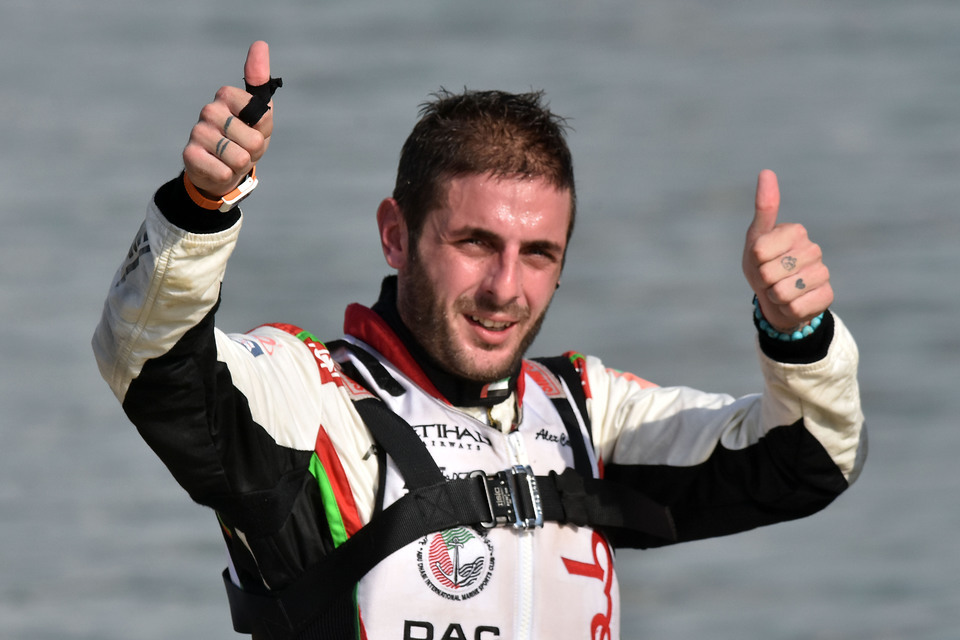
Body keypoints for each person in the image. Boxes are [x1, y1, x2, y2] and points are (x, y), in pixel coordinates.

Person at [93, 41, 866, 640]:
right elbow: (150, 362)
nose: (506, 288)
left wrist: (796, 336)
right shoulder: (310, 401)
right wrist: (201, 208)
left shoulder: (586, 413)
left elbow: (810, 463)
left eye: (539, 255)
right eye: (475, 243)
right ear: (395, 236)